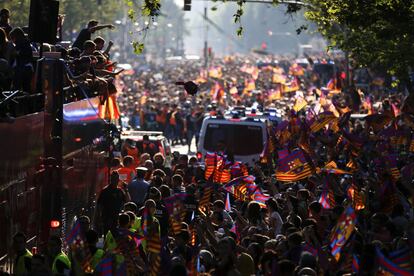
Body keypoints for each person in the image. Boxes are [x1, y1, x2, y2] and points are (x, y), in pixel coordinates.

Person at [9, 27, 33, 93]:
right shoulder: (26, 43)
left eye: (12, 38)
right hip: (24, 68)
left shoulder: (22, 44)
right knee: (26, 89)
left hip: (23, 69)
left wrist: (16, 53)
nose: (12, 41)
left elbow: (22, 54)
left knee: (18, 89)